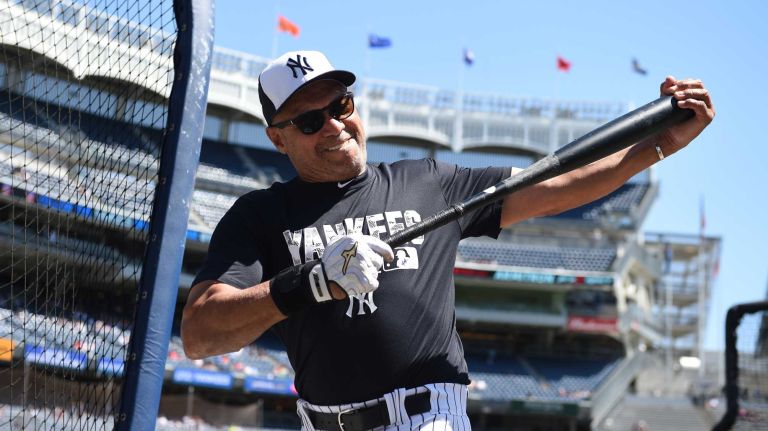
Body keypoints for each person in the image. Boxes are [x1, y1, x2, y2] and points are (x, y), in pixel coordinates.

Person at [181, 50, 715, 430]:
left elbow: (554, 184)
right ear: (277, 137)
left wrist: (659, 143)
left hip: (426, 419)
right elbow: (201, 333)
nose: (335, 125)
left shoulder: (427, 181)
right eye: (311, 120)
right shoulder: (260, 216)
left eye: (341, 105)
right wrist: (311, 282)